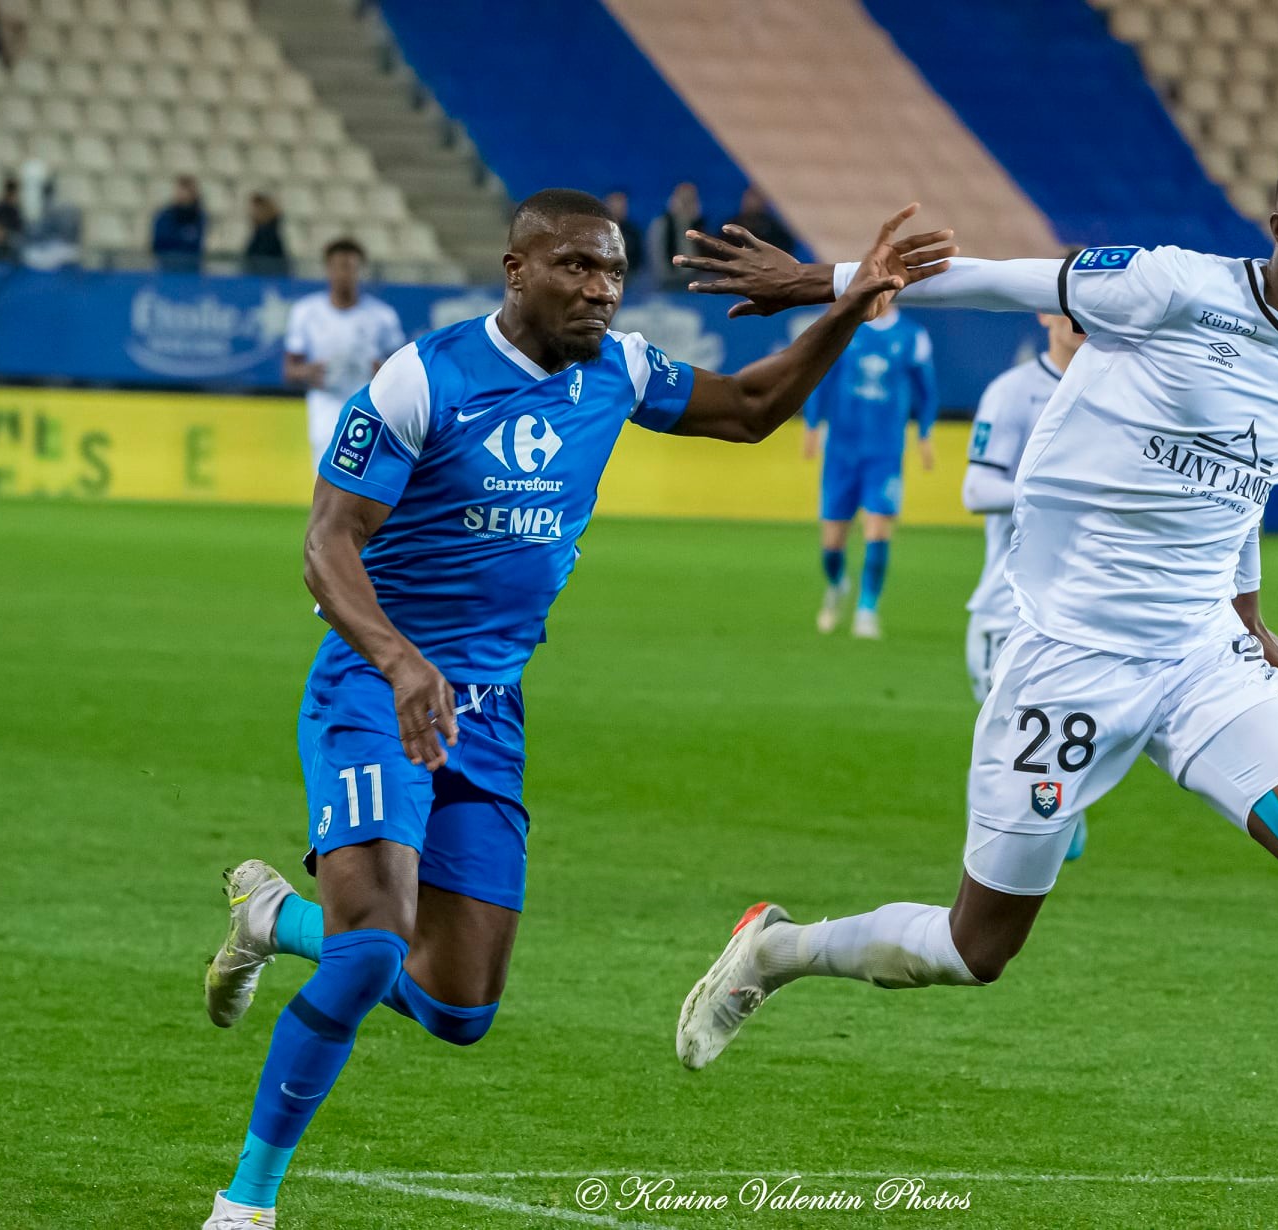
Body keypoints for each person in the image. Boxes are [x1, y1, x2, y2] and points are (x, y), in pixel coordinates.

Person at [671, 143, 1278, 1230]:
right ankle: (778, 950)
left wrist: (1250, 619)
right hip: (1068, 660)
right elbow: (996, 278)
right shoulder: (1170, 286)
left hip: (1198, 656)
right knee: (976, 949)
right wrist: (823, 282)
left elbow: (1242, 488)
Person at [196, 191, 953, 1230]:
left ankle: (274, 919)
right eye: (576, 267)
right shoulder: (424, 377)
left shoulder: (622, 370)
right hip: (375, 690)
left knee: (459, 1008)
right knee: (372, 948)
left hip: (489, 714)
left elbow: (750, 408)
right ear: (517, 270)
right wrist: (400, 660)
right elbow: (328, 543)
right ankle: (245, 1204)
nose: (601, 289)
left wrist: (847, 305)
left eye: (612, 272)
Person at [963, 301, 1089, 860]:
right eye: (1071, 311)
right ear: (1044, 314)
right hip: (1009, 609)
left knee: (1048, 765)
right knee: (1010, 760)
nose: (1082, 323)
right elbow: (976, 490)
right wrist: (1060, 492)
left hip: (1088, 611)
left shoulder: (1124, 391)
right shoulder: (1014, 392)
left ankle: (1048, 825)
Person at [803, 305, 936, 639]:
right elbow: (821, 376)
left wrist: (925, 433)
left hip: (885, 452)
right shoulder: (845, 326)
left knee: (878, 528)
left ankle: (867, 609)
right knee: (832, 543)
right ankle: (837, 584)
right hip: (841, 451)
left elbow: (927, 389)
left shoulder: (912, 335)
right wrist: (812, 423)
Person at [284, 238, 405, 469]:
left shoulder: (382, 316)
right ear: (328, 269)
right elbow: (290, 370)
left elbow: (401, 371)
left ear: (360, 271)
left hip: (367, 404)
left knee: (361, 472)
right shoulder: (306, 312)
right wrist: (309, 372)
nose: (344, 274)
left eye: (350, 267)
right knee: (325, 471)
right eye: (339, 267)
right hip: (325, 402)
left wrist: (381, 372)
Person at [646, 180, 705, 287]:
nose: (686, 205)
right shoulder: (661, 224)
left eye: (690, 201)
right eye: (683, 200)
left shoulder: (699, 225)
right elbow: (657, 259)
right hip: (667, 281)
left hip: (692, 280)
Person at [151, 174, 206, 271]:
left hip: (191, 270)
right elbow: (159, 243)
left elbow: (196, 245)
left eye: (187, 192)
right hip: (166, 268)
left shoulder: (198, 217)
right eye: (180, 191)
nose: (183, 195)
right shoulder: (164, 216)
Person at [725, 183, 797, 256]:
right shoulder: (732, 224)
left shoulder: (775, 229)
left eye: (756, 196)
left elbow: (785, 249)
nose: (751, 200)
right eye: (750, 195)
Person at [243, 193, 289, 277]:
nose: (251, 212)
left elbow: (264, 257)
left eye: (255, 208)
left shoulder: (269, 234)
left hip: (268, 276)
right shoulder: (260, 231)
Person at [602, 188, 644, 273]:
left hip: (629, 275)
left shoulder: (633, 232)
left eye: (622, 203)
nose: (619, 207)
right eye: (615, 203)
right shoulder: (597, 230)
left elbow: (638, 258)